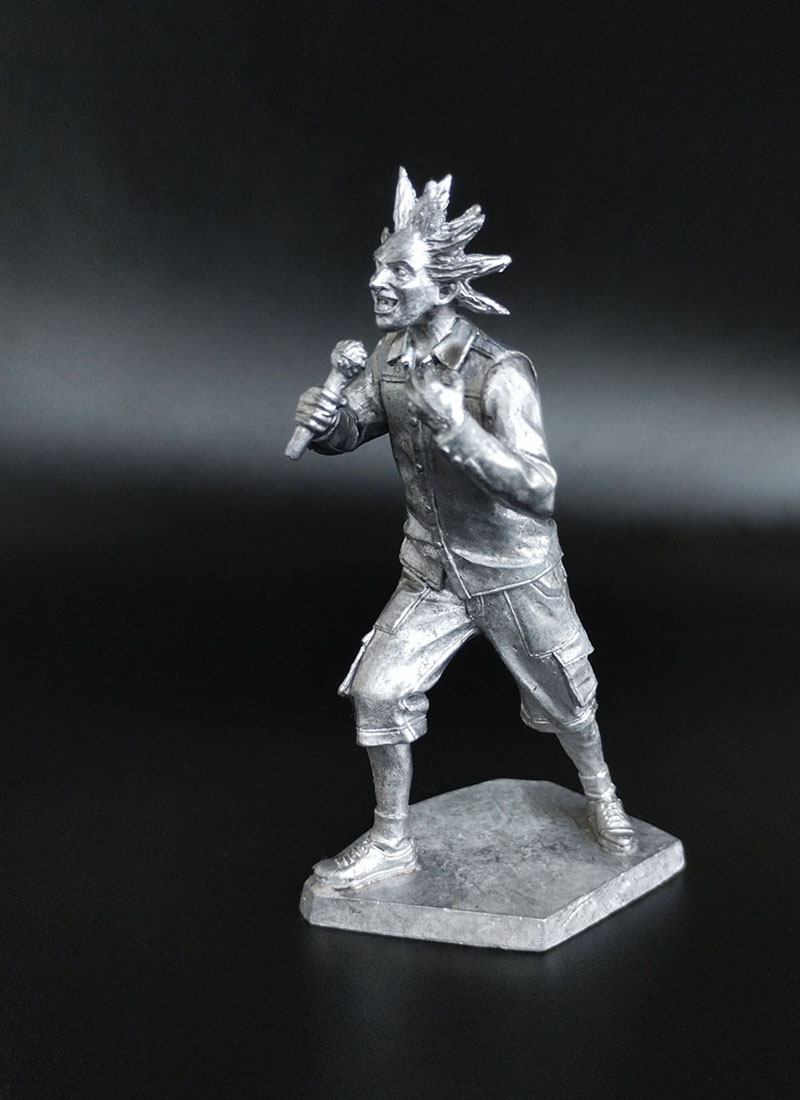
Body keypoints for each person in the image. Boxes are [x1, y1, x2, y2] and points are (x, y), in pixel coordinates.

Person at [292, 168, 635, 889]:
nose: (377, 282)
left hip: (514, 574)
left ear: (445, 285)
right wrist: (327, 425)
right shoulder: (388, 358)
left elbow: (539, 488)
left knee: (568, 703)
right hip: (433, 573)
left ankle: (602, 795)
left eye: (399, 271)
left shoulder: (497, 373)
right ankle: (392, 840)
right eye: (378, 267)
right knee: (378, 693)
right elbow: (355, 428)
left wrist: (458, 428)